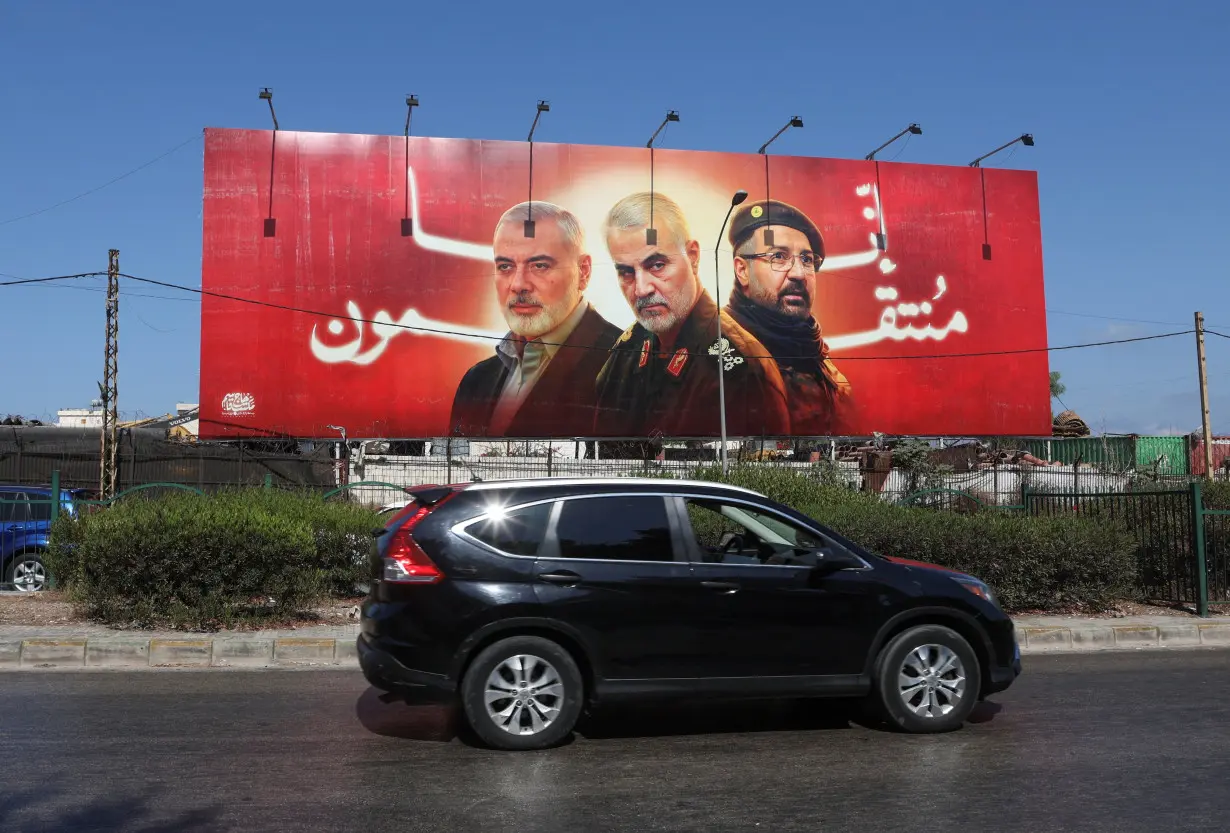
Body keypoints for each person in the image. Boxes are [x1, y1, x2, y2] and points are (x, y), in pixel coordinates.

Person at [593, 191, 790, 438]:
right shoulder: (626, 352)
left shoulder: (743, 372)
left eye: (657, 265)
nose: (641, 289)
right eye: (626, 272)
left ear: (693, 257)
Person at [449, 201, 621, 438]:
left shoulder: (626, 366)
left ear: (583, 272)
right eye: (505, 266)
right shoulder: (476, 381)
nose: (518, 284)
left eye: (539, 265)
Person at [725, 199, 852, 435]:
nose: (798, 274)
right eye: (778, 257)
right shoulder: (713, 351)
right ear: (742, 270)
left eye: (807, 260)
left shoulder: (831, 378)